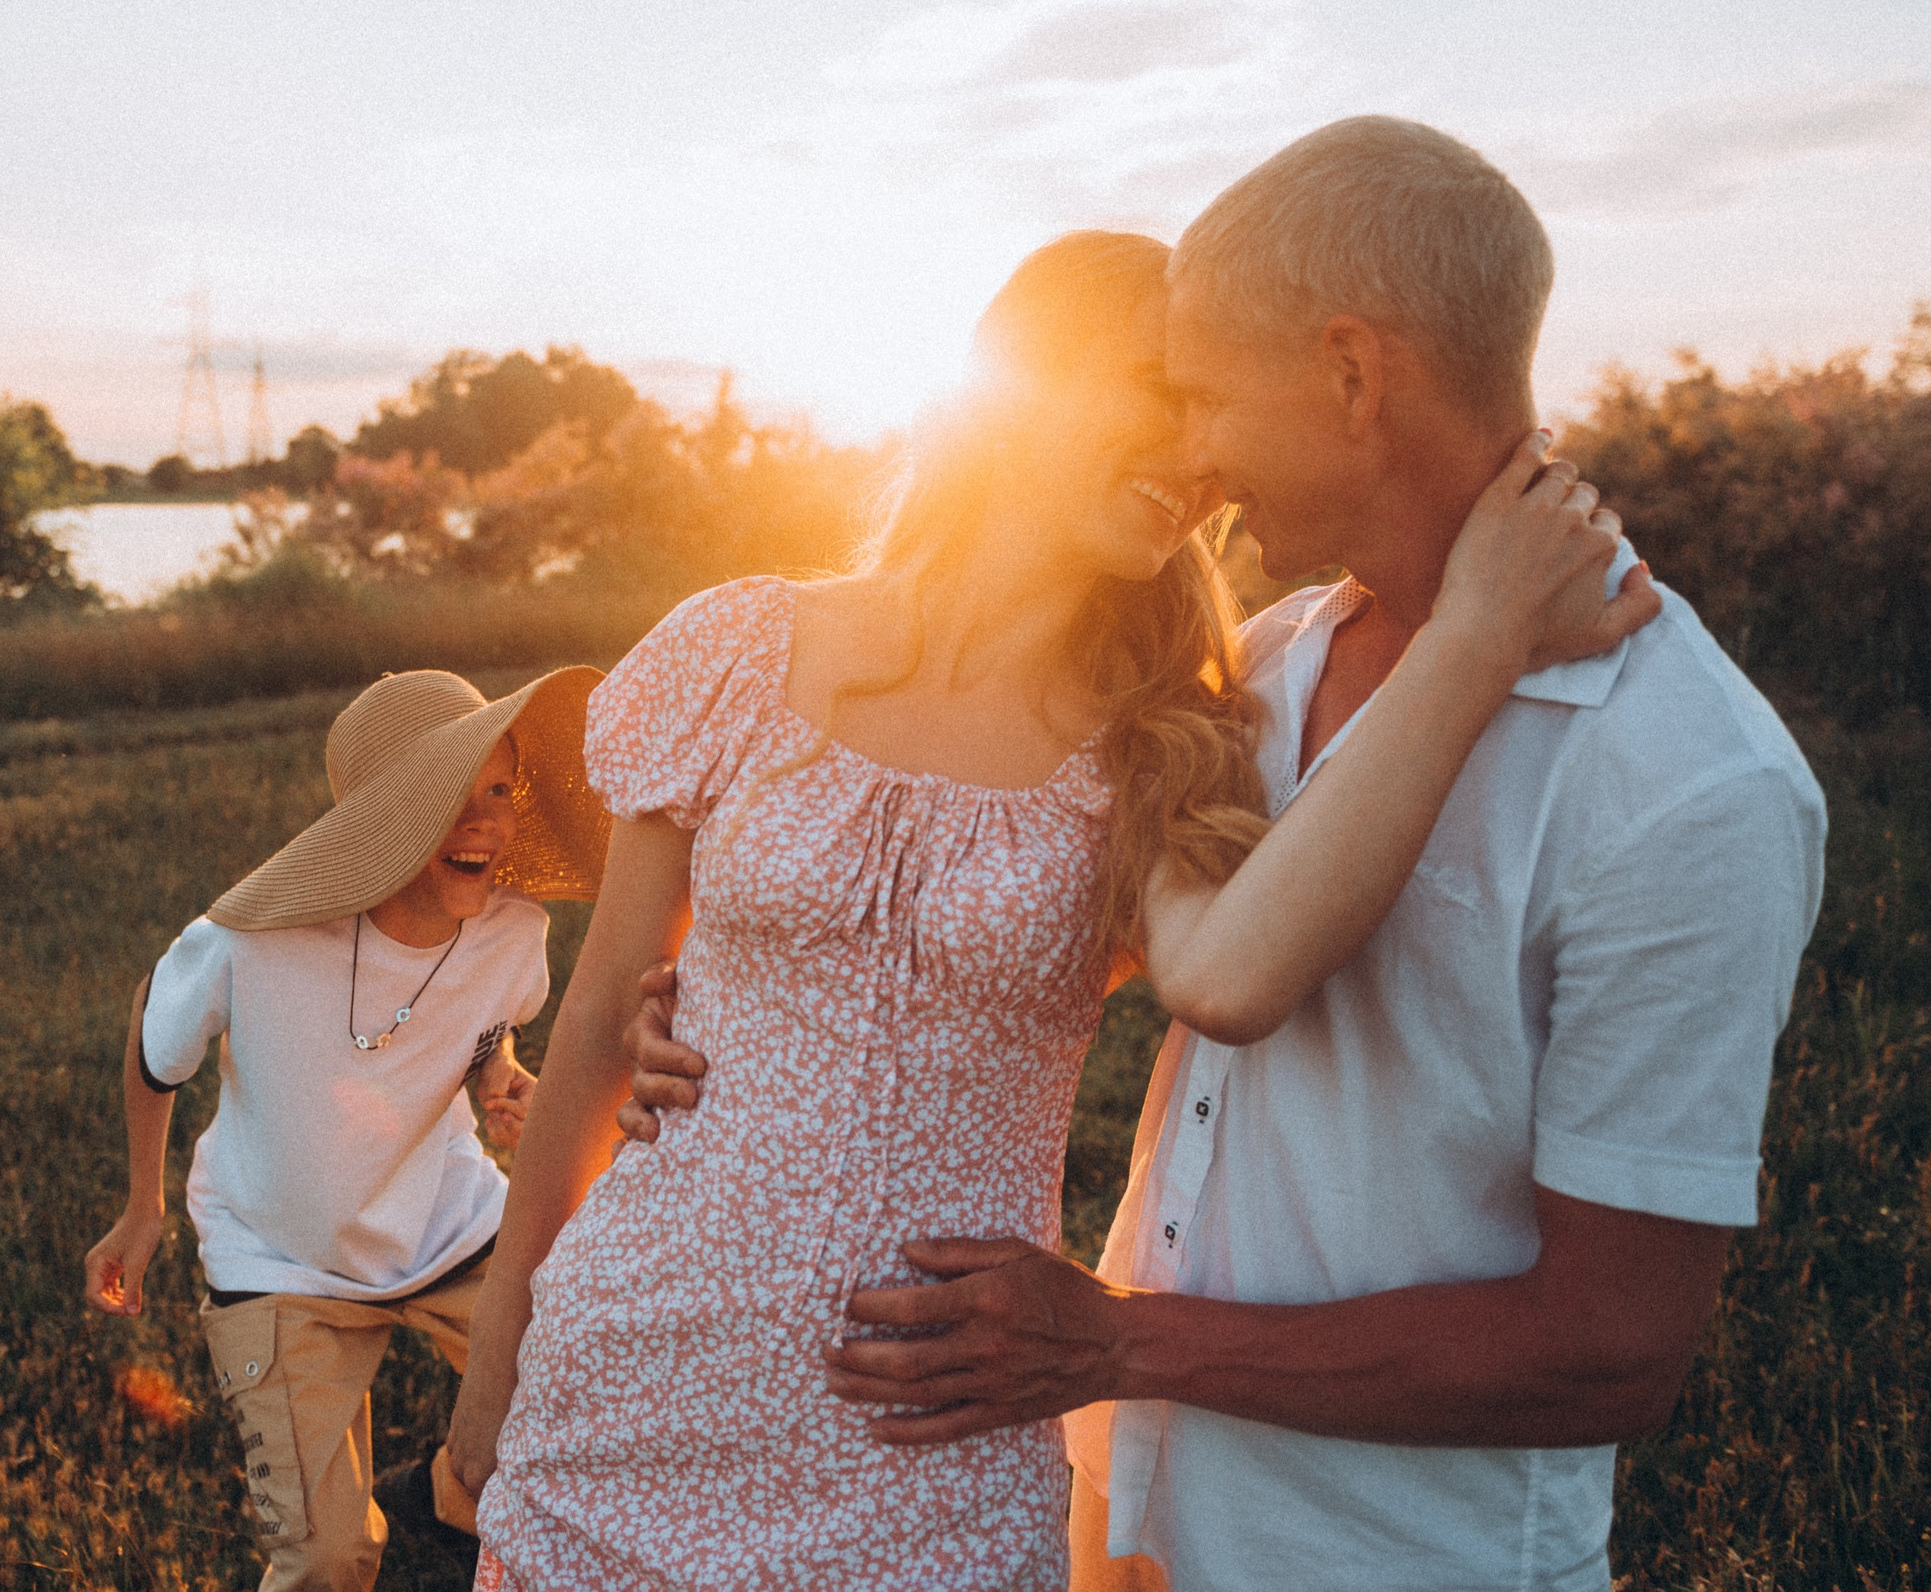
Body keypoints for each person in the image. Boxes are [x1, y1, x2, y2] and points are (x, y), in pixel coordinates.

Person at [631, 119, 1830, 1592]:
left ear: (1347, 374)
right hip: (1120, 1516)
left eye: (1201, 396)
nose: (1188, 453)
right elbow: (1055, 933)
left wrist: (1124, 1339)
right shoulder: (1254, 675)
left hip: (1391, 1559)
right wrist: (731, 1010)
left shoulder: (1690, 784)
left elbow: (1607, 1354)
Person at [443, 228, 1655, 1590]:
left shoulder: (1160, 735)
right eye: (1162, 395)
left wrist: (1476, 637)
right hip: (623, 1390)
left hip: (927, 1443)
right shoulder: (734, 645)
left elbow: (1237, 977)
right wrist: (501, 1359)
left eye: (1214, 422)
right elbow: (607, 1014)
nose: (1200, 460)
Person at [81, 666, 610, 1592]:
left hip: (452, 1229)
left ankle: (448, 1497)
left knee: (580, 1414)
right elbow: (152, 1031)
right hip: (279, 1263)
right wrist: (141, 1204)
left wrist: (500, 1072)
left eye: (500, 789)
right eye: (453, 796)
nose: (486, 821)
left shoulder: (512, 931)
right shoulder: (248, 944)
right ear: (381, 820)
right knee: (328, 1558)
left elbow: (488, 1024)